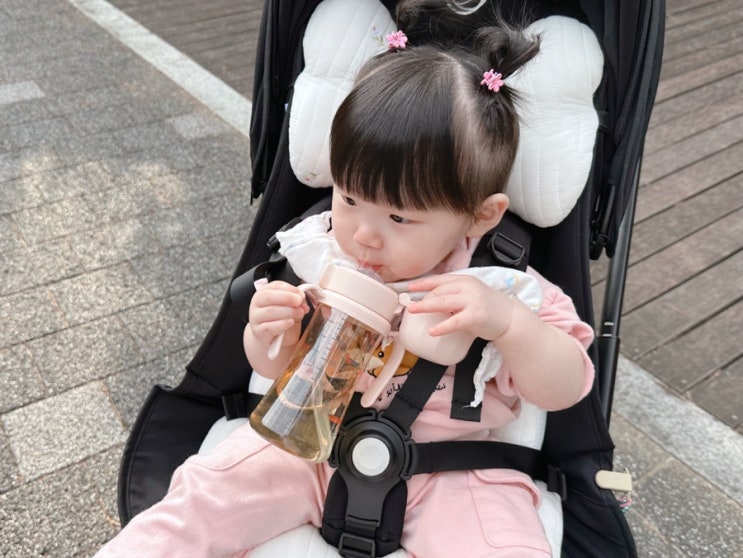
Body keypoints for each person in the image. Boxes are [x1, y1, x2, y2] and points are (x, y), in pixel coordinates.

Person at [95, 2, 594, 556]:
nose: (364, 235)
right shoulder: (321, 253)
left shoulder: (505, 286)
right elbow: (272, 367)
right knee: (201, 501)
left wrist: (510, 326)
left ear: (479, 216)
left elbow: (566, 387)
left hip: (451, 471)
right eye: (350, 198)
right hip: (304, 443)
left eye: (399, 217)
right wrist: (267, 333)